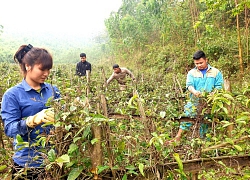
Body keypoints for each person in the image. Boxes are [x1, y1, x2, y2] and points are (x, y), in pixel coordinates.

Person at [1, 44, 60, 179]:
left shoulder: (53, 90)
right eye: (42, 69)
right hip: (27, 163)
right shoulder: (12, 95)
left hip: (54, 160)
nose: (46, 74)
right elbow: (9, 130)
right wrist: (31, 121)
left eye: (48, 69)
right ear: (28, 66)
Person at [165, 50, 224, 144]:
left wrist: (213, 94)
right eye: (197, 63)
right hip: (194, 101)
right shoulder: (192, 73)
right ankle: (178, 138)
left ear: (206, 60)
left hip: (210, 103)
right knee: (186, 118)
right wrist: (194, 91)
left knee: (205, 122)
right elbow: (189, 85)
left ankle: (203, 143)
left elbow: (219, 86)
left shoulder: (216, 72)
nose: (199, 65)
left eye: (201, 63)